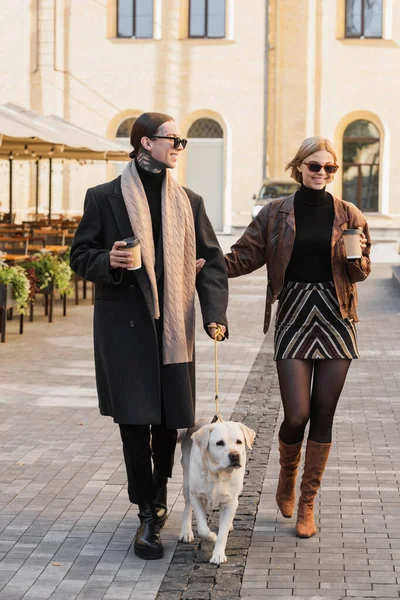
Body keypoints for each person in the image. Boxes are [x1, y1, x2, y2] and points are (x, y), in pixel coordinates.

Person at [70, 112, 228, 560]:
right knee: (134, 425)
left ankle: (156, 500)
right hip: (125, 330)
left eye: (182, 139)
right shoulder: (103, 198)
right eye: (172, 138)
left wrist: (215, 314)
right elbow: (79, 255)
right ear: (144, 143)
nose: (180, 144)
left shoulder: (190, 201)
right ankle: (147, 511)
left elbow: (212, 263)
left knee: (166, 426)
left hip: (175, 329)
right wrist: (109, 263)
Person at [224, 136, 371, 538]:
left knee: (324, 412)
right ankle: (287, 473)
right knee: (296, 415)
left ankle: (307, 503)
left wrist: (355, 259)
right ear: (299, 167)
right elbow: (245, 256)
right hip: (294, 314)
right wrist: (206, 265)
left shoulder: (349, 214)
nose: (321, 173)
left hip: (336, 315)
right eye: (314, 166)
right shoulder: (275, 213)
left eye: (329, 168)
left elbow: (361, 272)